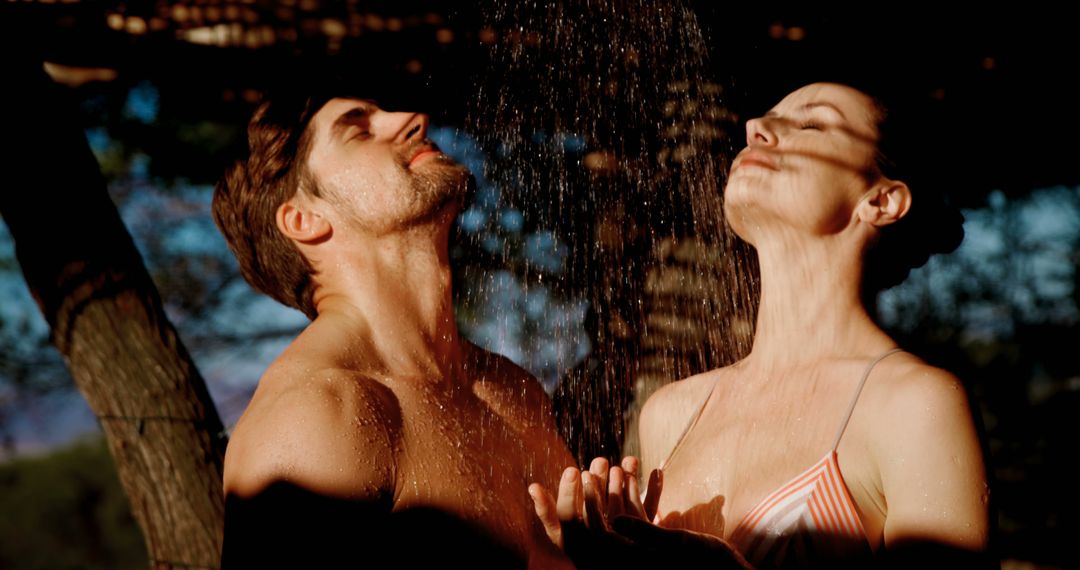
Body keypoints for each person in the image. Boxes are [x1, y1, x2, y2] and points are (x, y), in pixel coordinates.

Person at [531, 82, 990, 568]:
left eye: (812, 123)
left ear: (881, 201)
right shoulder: (670, 414)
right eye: (763, 118)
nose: (756, 128)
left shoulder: (916, 404)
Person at [212, 81, 575, 568]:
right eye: (358, 132)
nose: (412, 118)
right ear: (304, 219)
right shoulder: (315, 415)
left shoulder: (511, 390)